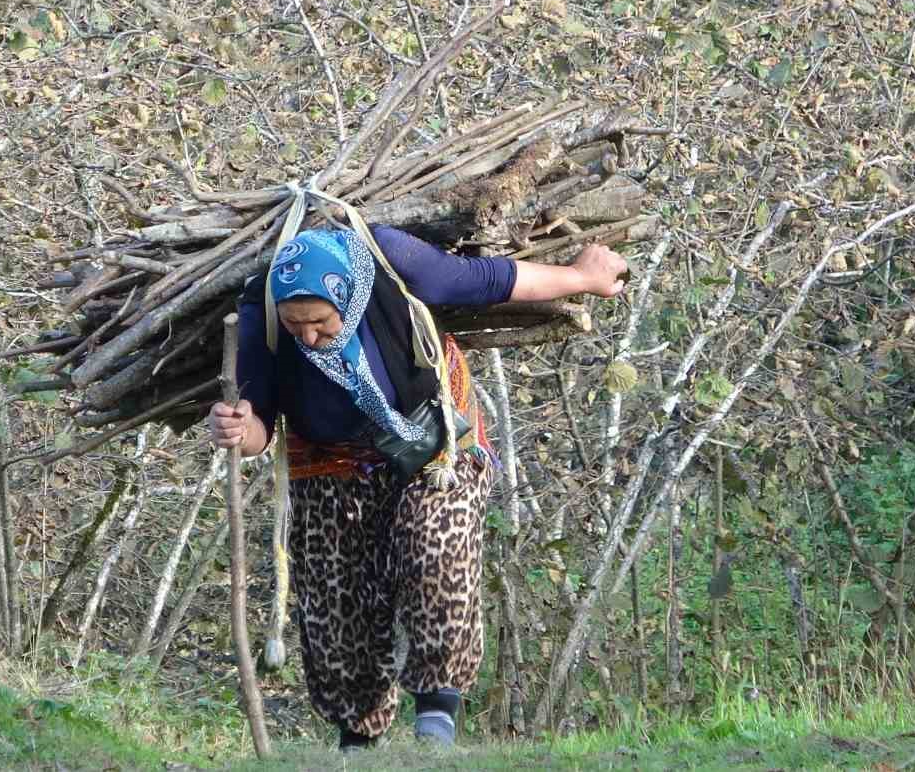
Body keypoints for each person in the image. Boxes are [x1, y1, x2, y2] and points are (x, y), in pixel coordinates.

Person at [208, 224, 627, 751]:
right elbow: (259, 423)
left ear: (346, 295)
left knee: (434, 543)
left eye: (318, 322)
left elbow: (489, 280)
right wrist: (238, 429)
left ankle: (437, 713)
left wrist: (580, 276)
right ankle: (356, 740)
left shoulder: (391, 262)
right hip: (330, 460)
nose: (308, 337)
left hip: (436, 440)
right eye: (297, 327)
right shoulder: (262, 311)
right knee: (334, 595)